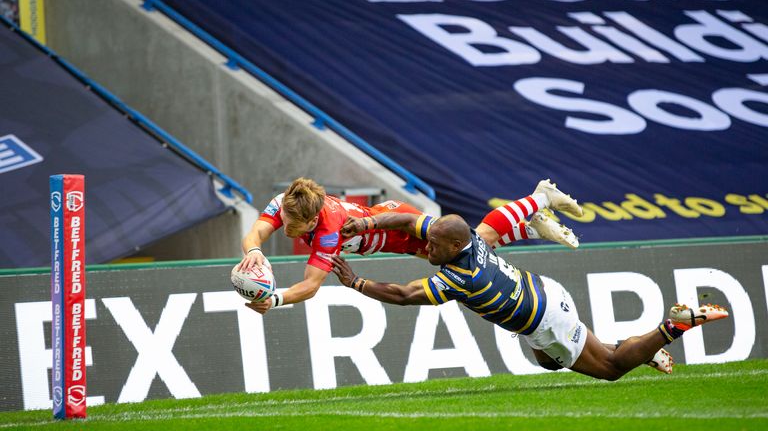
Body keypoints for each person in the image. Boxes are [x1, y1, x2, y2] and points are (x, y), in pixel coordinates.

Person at [331, 214, 729, 379]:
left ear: (453, 246)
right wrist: (367, 223)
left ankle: (672, 326)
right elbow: (411, 221)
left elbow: (404, 295)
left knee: (608, 368)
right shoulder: (461, 236)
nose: (426, 249)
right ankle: (643, 348)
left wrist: (356, 283)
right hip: (542, 293)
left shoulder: (461, 277)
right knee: (549, 362)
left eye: (433, 246)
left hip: (544, 319)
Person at [235, 177, 581, 315]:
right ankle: (529, 228)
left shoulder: (328, 230)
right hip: (388, 235)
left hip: (397, 225)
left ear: (313, 222)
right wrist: (253, 252)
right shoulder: (288, 201)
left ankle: (539, 197)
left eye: (297, 229)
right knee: (480, 244)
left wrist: (274, 298)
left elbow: (310, 286)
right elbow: (255, 234)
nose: (290, 232)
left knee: (478, 242)